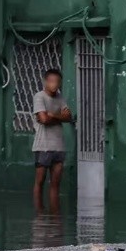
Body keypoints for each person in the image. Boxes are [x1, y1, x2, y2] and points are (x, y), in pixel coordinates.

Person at [32, 68, 72, 213]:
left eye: (57, 82)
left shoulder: (60, 97)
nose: (54, 85)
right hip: (43, 145)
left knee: (55, 184)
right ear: (45, 82)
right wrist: (57, 116)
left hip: (59, 146)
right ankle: (39, 215)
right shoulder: (39, 97)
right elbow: (43, 119)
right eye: (52, 82)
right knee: (40, 182)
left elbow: (68, 117)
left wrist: (52, 115)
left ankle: (55, 217)